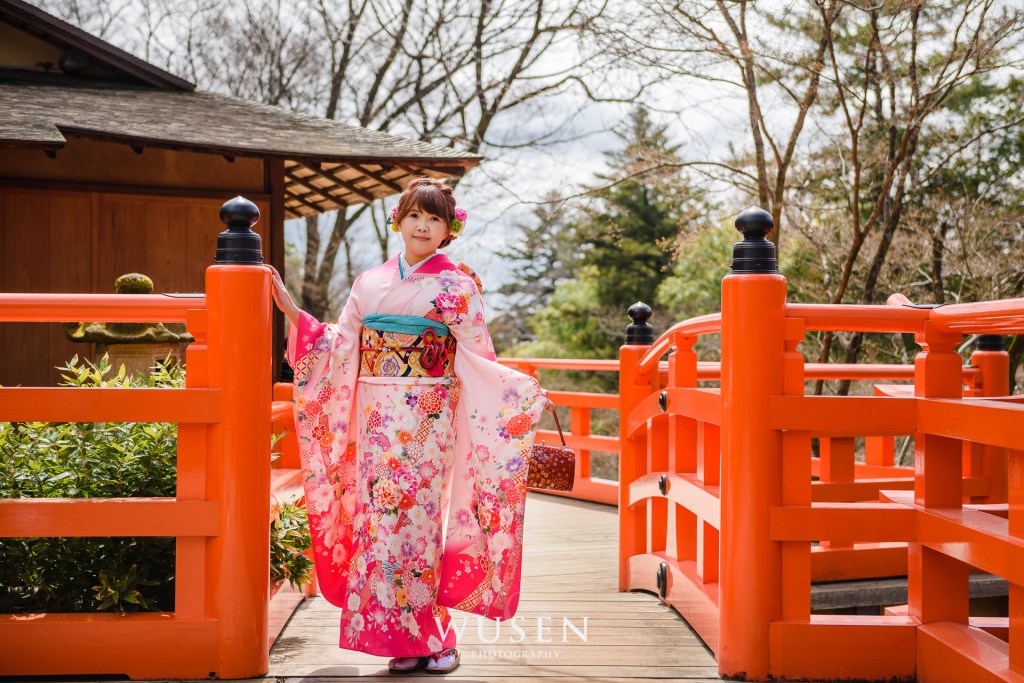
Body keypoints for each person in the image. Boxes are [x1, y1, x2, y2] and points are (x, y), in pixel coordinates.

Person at [269, 177, 547, 675]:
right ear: (399, 219)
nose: (423, 225)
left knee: (416, 525)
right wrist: (295, 313)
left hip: (428, 420)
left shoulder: (456, 286)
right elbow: (339, 347)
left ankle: (437, 638)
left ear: (447, 230)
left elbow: (480, 358)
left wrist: (518, 396)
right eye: (416, 215)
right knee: (378, 525)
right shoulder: (369, 282)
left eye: (435, 218)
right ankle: (401, 639)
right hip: (376, 421)